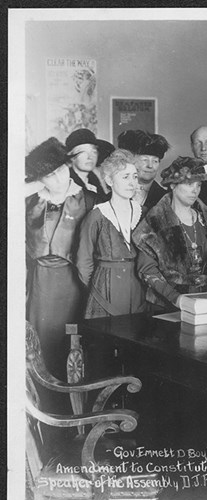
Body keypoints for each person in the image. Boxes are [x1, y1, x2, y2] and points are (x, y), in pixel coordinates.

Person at [25, 137, 95, 379]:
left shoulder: (87, 199)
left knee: (69, 346)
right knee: (38, 344)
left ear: (68, 167)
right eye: (48, 175)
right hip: (39, 284)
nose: (57, 179)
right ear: (39, 179)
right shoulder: (31, 201)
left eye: (60, 171)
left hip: (73, 282)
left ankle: (69, 404)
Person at [133, 156, 207, 311]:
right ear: (173, 185)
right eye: (189, 183)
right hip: (164, 305)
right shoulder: (155, 221)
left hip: (203, 303)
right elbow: (147, 269)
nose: (195, 190)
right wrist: (175, 298)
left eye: (199, 184)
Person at [76, 149, 146, 318]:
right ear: (109, 180)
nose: (132, 183)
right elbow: (83, 262)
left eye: (134, 176)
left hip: (138, 287)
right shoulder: (97, 215)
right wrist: (97, 287)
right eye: (125, 177)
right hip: (105, 288)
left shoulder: (143, 213)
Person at [117, 129, 170, 213]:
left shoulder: (166, 198)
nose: (150, 166)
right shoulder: (117, 193)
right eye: (145, 160)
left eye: (155, 161)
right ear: (131, 161)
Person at [65, 128, 113, 202]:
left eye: (93, 151)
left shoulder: (93, 179)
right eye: (83, 152)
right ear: (71, 157)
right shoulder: (66, 184)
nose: (90, 157)